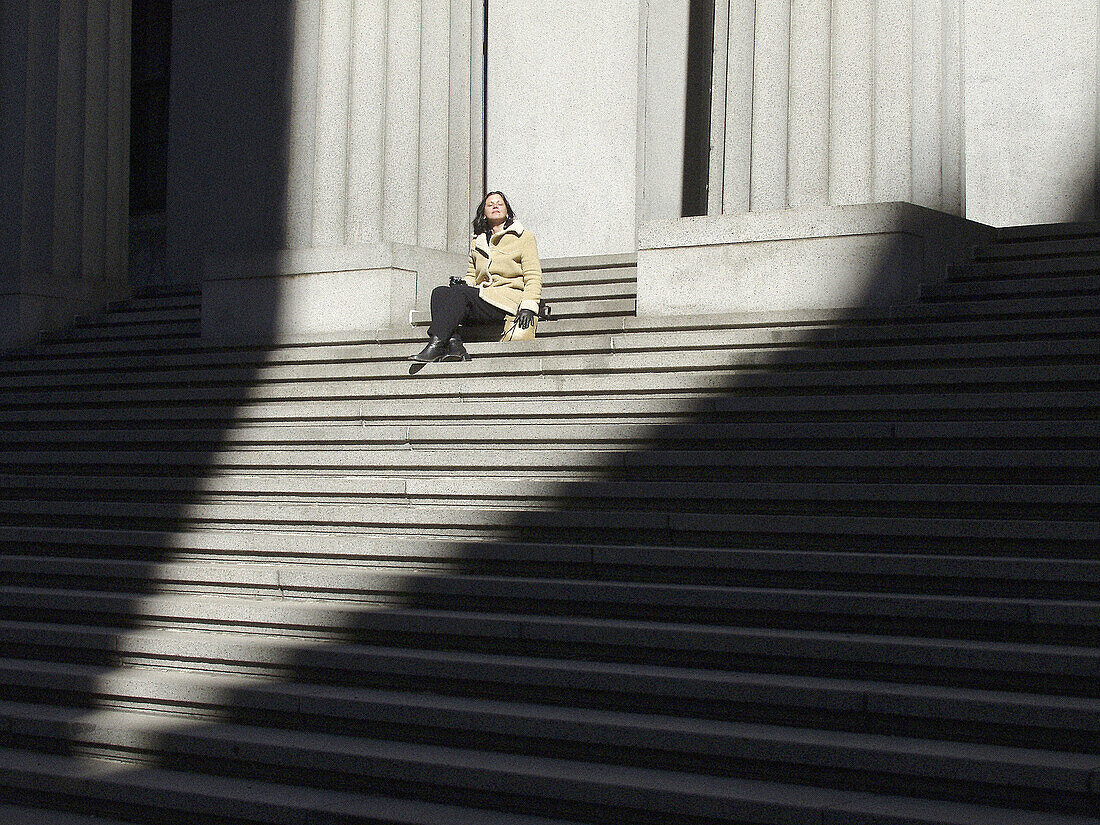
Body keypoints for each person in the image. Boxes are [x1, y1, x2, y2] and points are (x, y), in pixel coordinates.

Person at [410, 191, 542, 362]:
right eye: (490, 204)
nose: (495, 206)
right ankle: (455, 344)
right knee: (440, 292)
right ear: (484, 213)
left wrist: (529, 306)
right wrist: (464, 283)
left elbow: (533, 274)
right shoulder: (477, 242)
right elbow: (472, 276)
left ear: (507, 211)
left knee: (459, 294)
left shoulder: (523, 237)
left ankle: (436, 345)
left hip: (507, 299)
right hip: (484, 296)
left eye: (500, 203)